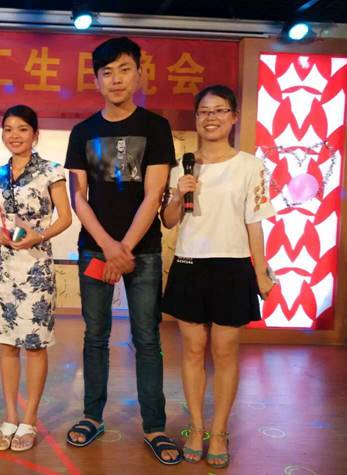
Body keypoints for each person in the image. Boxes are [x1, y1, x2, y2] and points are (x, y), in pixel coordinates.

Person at [64, 36, 182, 465]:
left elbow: (154, 195)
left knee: (147, 338)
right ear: (96, 80)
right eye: (107, 72)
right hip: (95, 248)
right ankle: (91, 416)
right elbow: (78, 198)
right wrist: (108, 247)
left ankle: (154, 426)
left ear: (139, 74)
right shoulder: (82, 132)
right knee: (95, 336)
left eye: (124, 69)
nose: (116, 79)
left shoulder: (156, 127)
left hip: (142, 251)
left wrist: (125, 248)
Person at [161, 85, 276, 469]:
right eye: (204, 111)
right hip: (189, 264)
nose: (211, 118)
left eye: (219, 110)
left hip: (232, 267)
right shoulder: (181, 166)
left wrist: (261, 273)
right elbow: (169, 221)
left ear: (233, 117)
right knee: (193, 351)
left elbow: (255, 224)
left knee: (225, 352)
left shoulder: (250, 166)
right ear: (196, 118)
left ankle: (220, 431)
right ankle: (196, 428)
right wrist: (177, 193)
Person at [0, 105, 72, 452]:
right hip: (5, 265)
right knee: (7, 344)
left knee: (34, 345)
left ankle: (29, 419)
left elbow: (65, 218)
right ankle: (9, 417)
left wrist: (40, 235)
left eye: (22, 129)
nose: (14, 135)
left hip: (36, 267)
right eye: (8, 129)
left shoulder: (51, 171)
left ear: (35, 134)